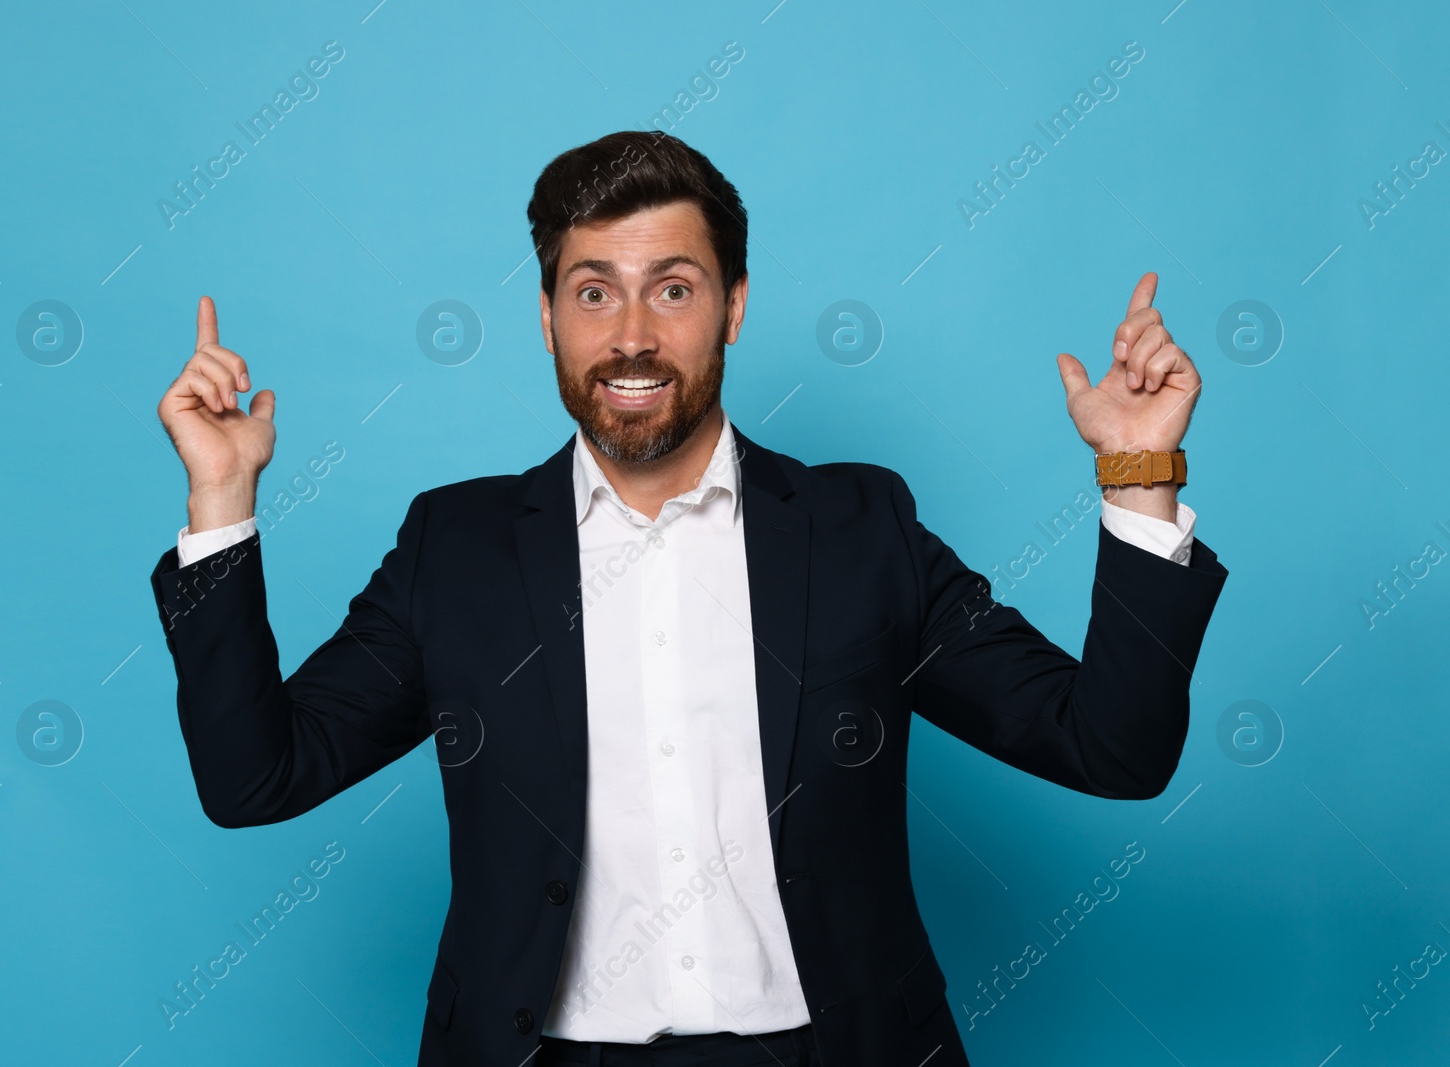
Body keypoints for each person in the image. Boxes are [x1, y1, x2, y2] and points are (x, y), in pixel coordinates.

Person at [149, 130, 1228, 1066]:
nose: (630, 334)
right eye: (592, 291)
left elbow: (1111, 749)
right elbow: (257, 777)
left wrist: (1139, 475)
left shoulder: (861, 530)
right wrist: (220, 496)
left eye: (672, 287)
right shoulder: (457, 547)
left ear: (733, 306)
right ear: (546, 316)